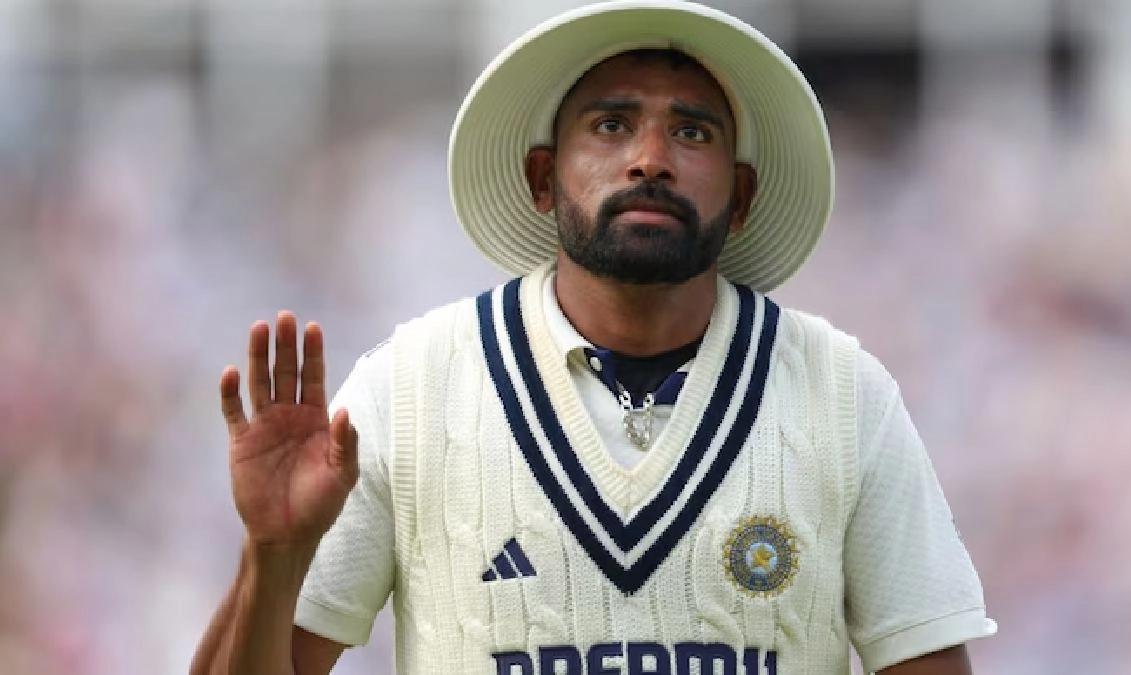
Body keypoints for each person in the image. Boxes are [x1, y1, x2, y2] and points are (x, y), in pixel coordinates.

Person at [189, 2, 997, 674]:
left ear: (742, 195)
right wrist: (273, 552)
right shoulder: (408, 389)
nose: (650, 159)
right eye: (611, 125)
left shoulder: (845, 395)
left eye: (693, 133)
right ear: (542, 178)